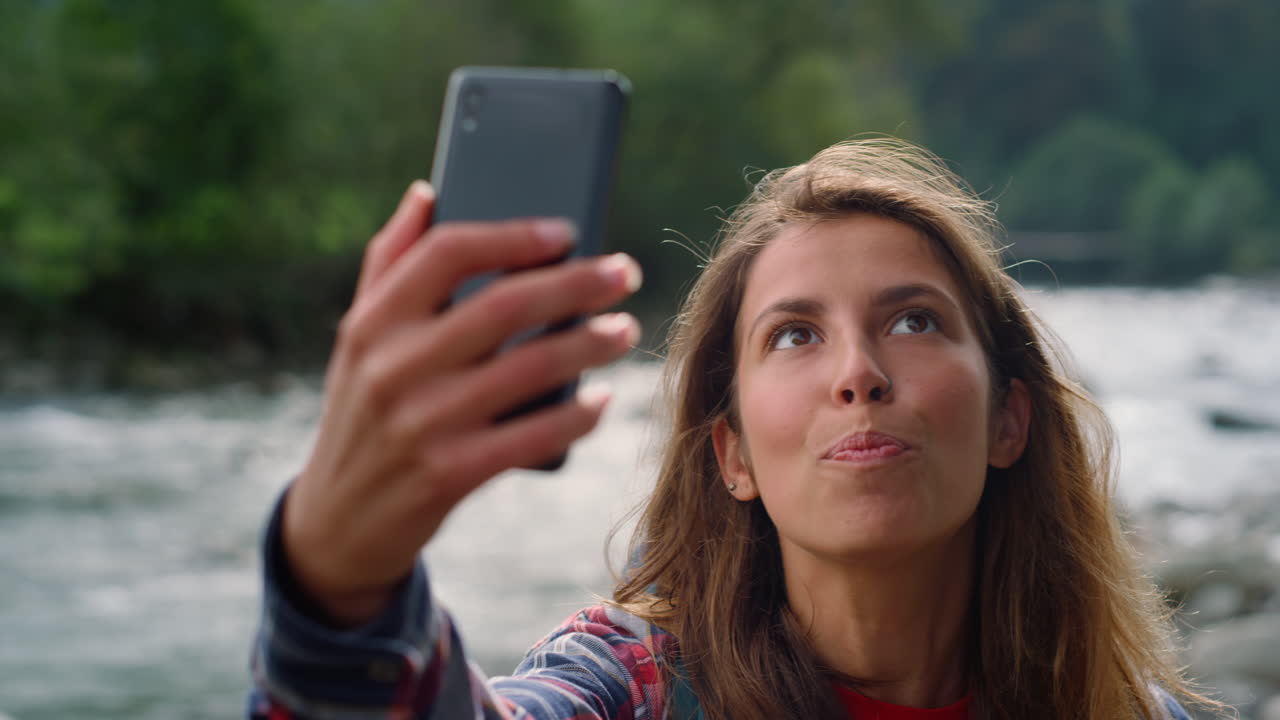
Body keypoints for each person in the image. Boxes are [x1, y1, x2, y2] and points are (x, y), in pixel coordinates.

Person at [248, 138, 1213, 719]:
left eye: (913, 320)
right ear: (733, 454)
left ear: (1010, 417)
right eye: (794, 335)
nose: (858, 375)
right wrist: (339, 579)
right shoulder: (630, 687)